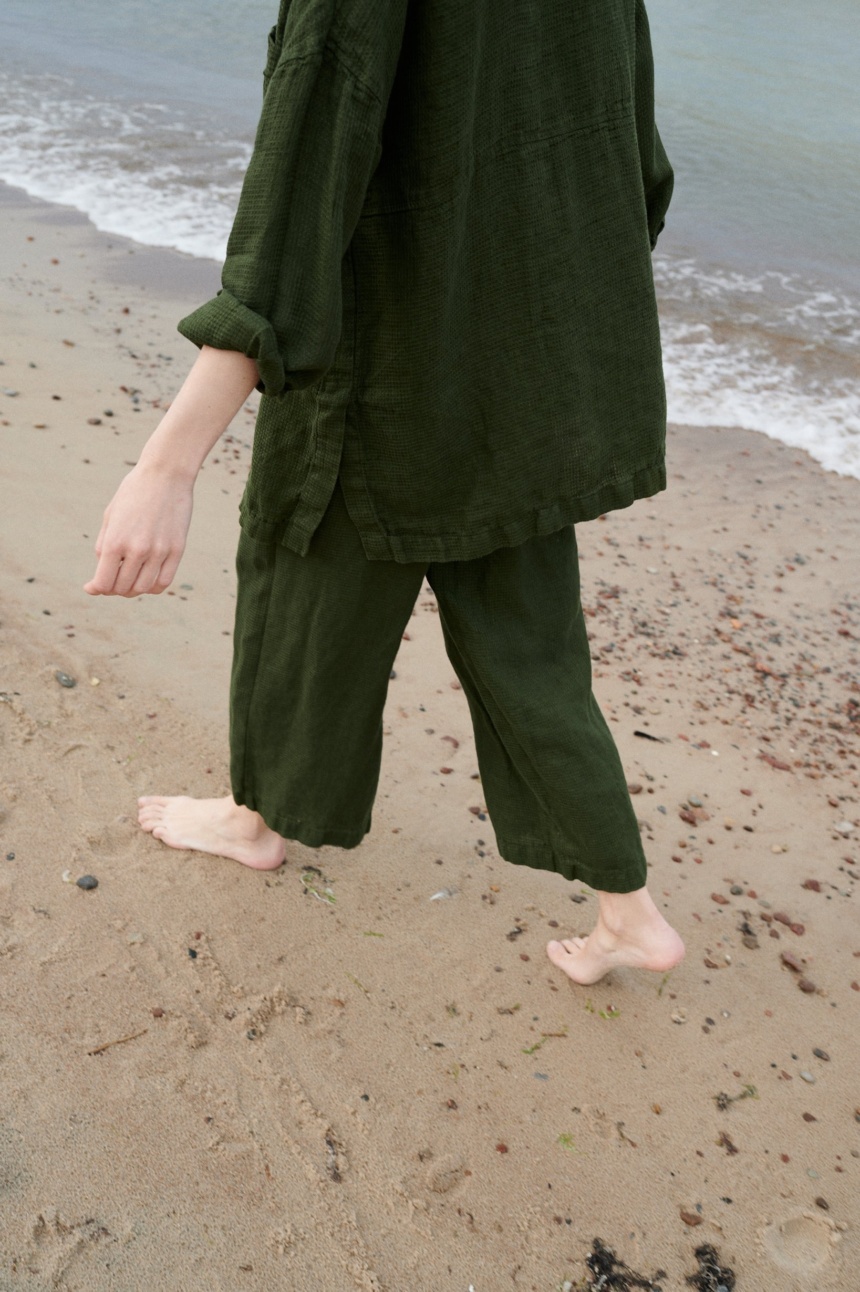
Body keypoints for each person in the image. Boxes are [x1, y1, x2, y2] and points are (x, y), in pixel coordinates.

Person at [84, 0, 685, 987]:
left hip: (383, 354)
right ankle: (626, 906)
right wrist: (534, 307)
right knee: (524, 637)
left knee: (301, 569)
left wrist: (166, 463)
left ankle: (252, 816)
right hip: (519, 351)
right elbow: (632, 159)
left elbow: (294, 214)